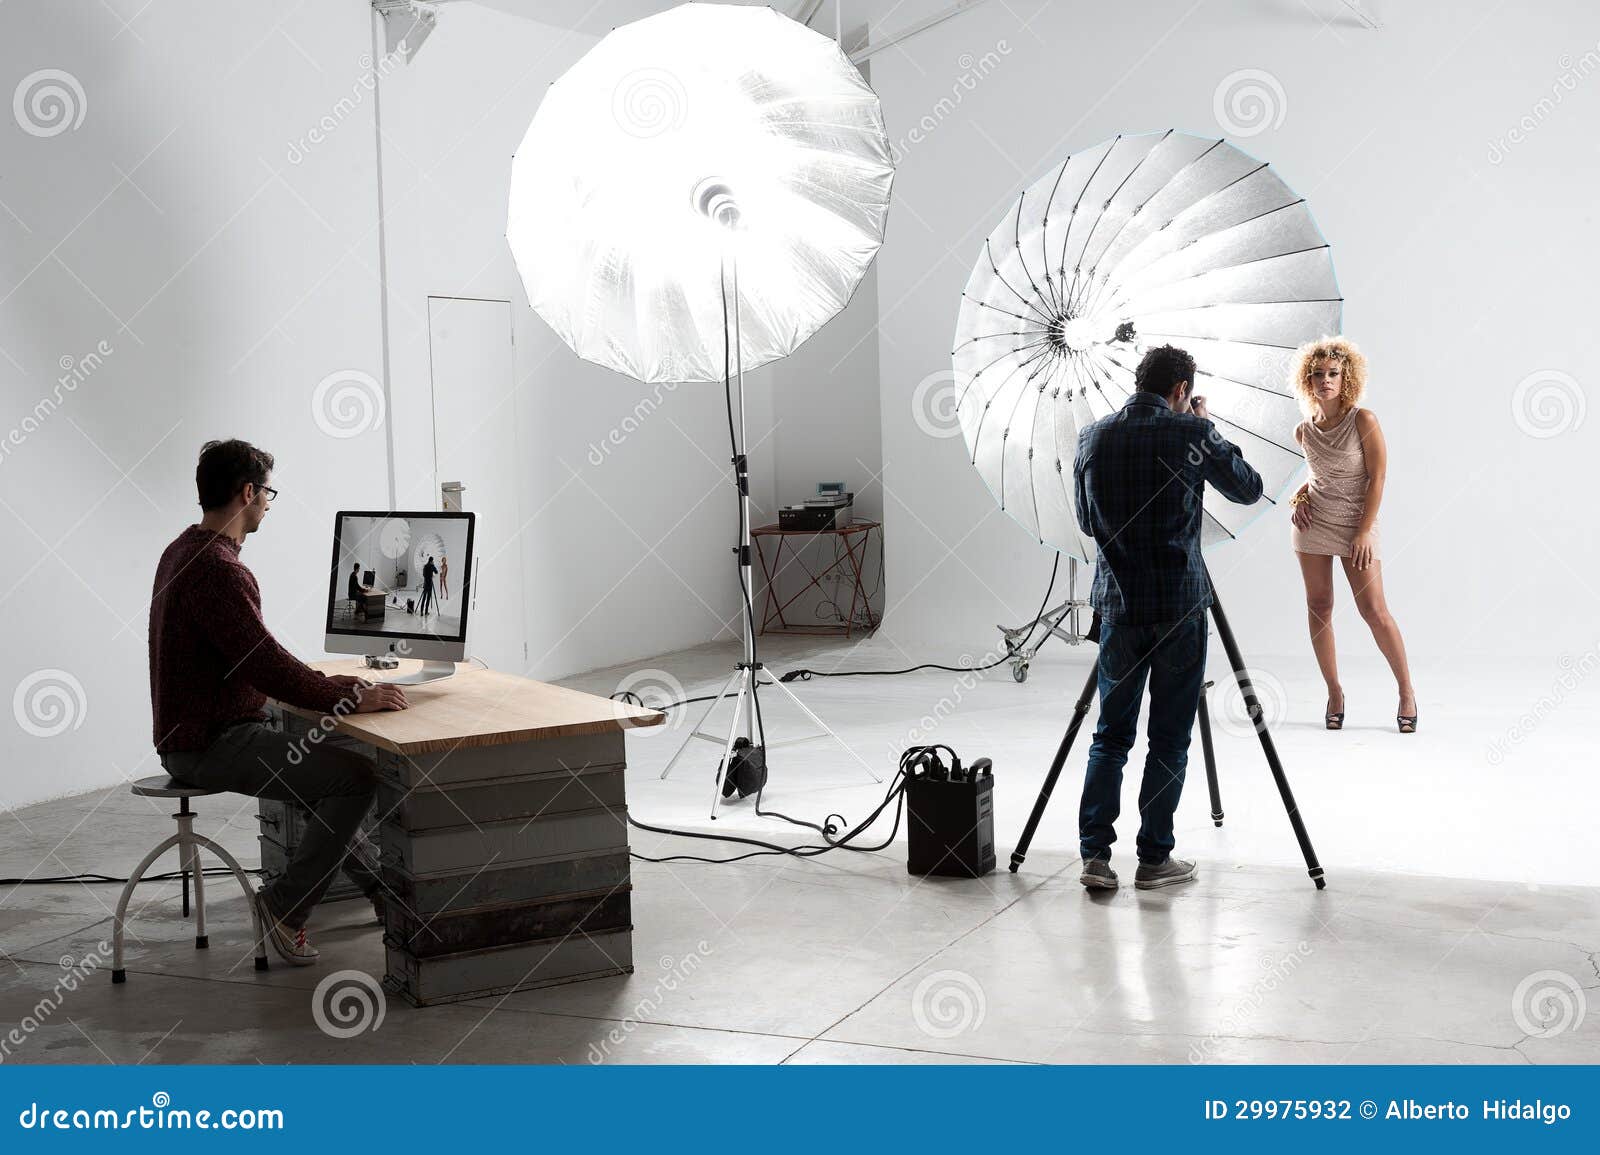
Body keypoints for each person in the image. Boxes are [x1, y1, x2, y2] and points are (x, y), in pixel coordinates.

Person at [149, 439, 408, 966]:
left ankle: (382, 891)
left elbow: (253, 658)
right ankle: (285, 909)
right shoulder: (217, 568)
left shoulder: (183, 549)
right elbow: (264, 664)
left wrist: (328, 694)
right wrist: (352, 693)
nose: (268, 502)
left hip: (198, 731)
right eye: (267, 492)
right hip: (210, 743)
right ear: (248, 492)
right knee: (354, 778)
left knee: (323, 761)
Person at [1072, 345, 1263, 891]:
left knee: (1110, 736)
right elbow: (1248, 489)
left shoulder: (1093, 437)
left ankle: (1095, 857)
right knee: (1169, 738)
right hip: (1178, 606)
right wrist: (1205, 428)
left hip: (1119, 606)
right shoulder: (1190, 435)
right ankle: (1154, 859)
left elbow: (1088, 523)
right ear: (1181, 389)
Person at [1287, 337, 1417, 733]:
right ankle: (1334, 692)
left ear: (1347, 378)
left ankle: (1407, 692)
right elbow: (1316, 476)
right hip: (1313, 526)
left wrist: (1363, 532)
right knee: (1319, 606)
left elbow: (1377, 478)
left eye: (1333, 374)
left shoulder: (1364, 419)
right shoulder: (1302, 431)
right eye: (1318, 374)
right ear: (1307, 382)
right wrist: (1298, 498)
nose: (1325, 380)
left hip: (1357, 523)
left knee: (1374, 611)